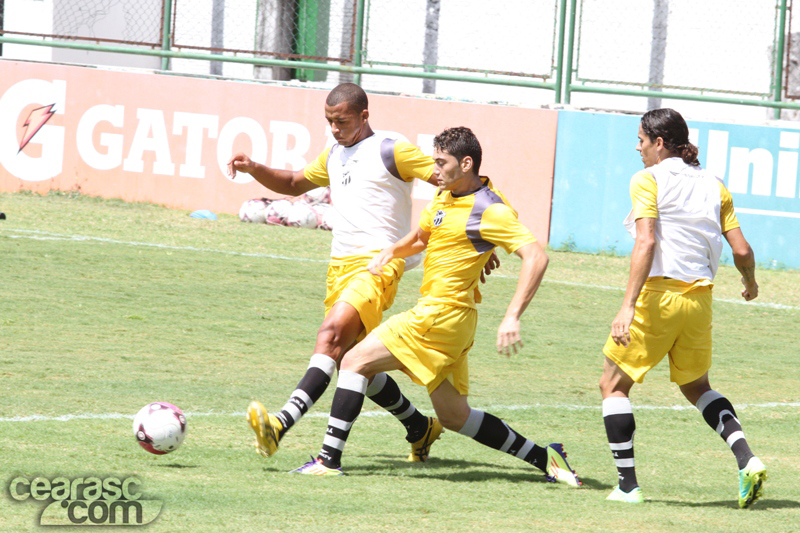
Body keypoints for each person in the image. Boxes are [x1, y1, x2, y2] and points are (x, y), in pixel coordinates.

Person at [289, 126, 581, 488]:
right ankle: (545, 457)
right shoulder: (445, 196)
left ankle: (328, 460)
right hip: (454, 322)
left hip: (440, 314)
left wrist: (512, 315)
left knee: (353, 360)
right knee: (455, 416)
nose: (435, 170)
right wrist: (392, 251)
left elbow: (536, 256)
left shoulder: (490, 208)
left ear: (466, 163)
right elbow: (423, 236)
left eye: (441, 163)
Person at [228, 83, 497, 462]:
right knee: (349, 359)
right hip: (339, 267)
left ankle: (280, 425)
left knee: (330, 335)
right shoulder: (334, 154)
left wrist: (479, 241)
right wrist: (255, 168)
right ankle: (419, 427)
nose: (334, 129)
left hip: (378, 264)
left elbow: (455, 183)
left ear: (364, 116)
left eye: (341, 121)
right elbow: (292, 184)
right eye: (329, 121)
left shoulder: (391, 149)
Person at [599, 108, 765, 507]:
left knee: (612, 385)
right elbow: (742, 249)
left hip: (659, 298)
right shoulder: (714, 183)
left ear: (659, 143)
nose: (637, 148)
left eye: (641, 140)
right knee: (697, 387)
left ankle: (627, 486)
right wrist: (750, 282)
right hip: (700, 301)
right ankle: (747, 459)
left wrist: (627, 306)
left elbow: (646, 242)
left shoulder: (647, 179)